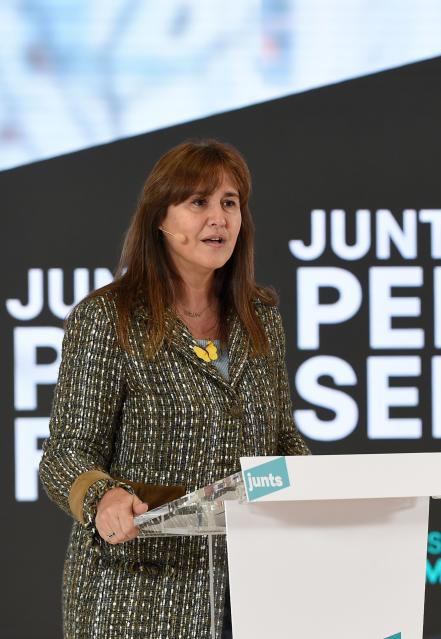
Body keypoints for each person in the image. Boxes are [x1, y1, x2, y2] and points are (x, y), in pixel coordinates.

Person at [39, 139, 310, 639]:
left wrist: (314, 486)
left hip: (250, 592)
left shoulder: (260, 318)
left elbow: (281, 439)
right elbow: (65, 455)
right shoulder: (108, 319)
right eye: (198, 202)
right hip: (135, 595)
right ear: (160, 219)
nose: (219, 219)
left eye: (230, 203)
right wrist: (102, 498)